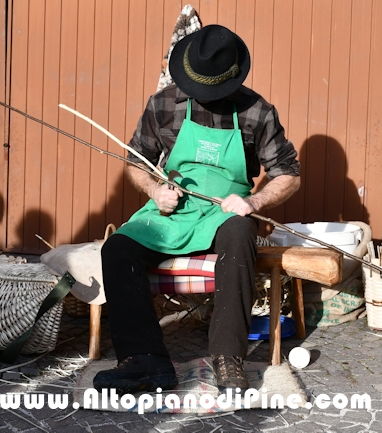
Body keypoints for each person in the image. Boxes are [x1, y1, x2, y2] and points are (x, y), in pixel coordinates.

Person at [95, 24, 301, 394]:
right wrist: (155, 191)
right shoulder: (162, 103)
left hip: (227, 210)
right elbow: (135, 162)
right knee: (117, 249)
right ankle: (145, 359)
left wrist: (252, 202)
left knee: (240, 233)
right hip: (174, 210)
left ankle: (227, 358)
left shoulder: (257, 111)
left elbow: (289, 174)